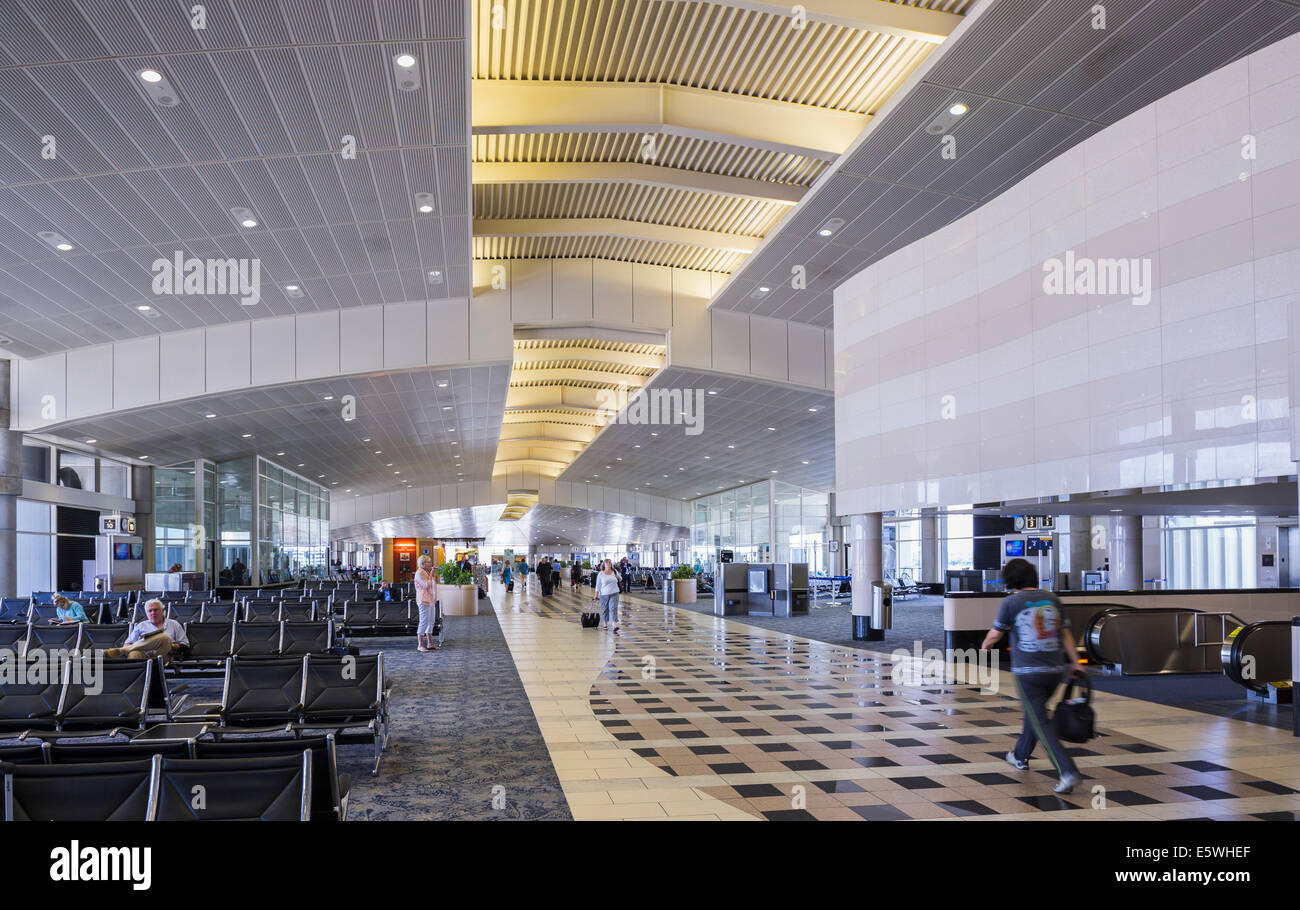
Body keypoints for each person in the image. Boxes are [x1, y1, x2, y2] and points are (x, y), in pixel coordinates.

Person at [981, 557, 1081, 794]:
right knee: (1034, 715)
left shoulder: (1011, 601)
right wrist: (1076, 662)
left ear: (1010, 580)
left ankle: (1067, 771)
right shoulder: (1053, 599)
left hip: (1028, 673)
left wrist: (985, 645)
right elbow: (1065, 634)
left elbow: (996, 633)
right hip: (1055, 670)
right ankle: (1020, 755)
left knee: (1040, 721)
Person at [106, 599, 189, 663]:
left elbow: (185, 645)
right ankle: (135, 678)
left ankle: (120, 651)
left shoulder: (174, 624)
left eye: (156, 610)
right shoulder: (141, 626)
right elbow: (127, 644)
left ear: (162, 611)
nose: (153, 613)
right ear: (146, 613)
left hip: (163, 653)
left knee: (164, 637)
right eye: (150, 611)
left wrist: (171, 645)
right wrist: (145, 644)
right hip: (143, 653)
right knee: (133, 653)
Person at [414, 555, 439, 653]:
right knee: (423, 621)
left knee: (431, 621)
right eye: (429, 562)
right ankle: (420, 645)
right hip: (423, 600)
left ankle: (430, 643)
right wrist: (432, 572)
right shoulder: (420, 572)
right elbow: (427, 585)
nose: (431, 563)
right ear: (423, 564)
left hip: (430, 600)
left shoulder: (426, 572)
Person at [595, 559, 621, 633]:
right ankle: (605, 623)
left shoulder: (614, 571)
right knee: (605, 609)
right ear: (604, 565)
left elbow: (620, 579)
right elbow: (598, 585)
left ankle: (614, 625)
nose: (608, 564)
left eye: (609, 563)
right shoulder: (601, 574)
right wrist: (596, 595)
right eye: (607, 563)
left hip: (615, 592)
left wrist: (617, 577)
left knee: (613, 608)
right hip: (604, 594)